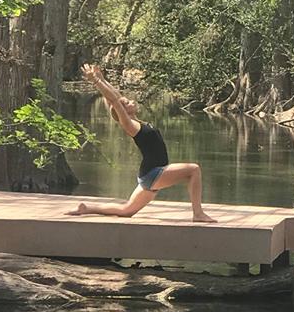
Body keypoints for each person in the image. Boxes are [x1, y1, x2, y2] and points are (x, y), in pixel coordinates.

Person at [66, 64, 216, 222]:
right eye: (127, 103)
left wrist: (103, 78)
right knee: (194, 170)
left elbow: (116, 98)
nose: (131, 101)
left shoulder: (138, 122)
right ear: (123, 111)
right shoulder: (130, 125)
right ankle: (198, 213)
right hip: (154, 173)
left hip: (149, 175)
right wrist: (96, 81)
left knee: (126, 211)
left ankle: (86, 208)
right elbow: (114, 101)